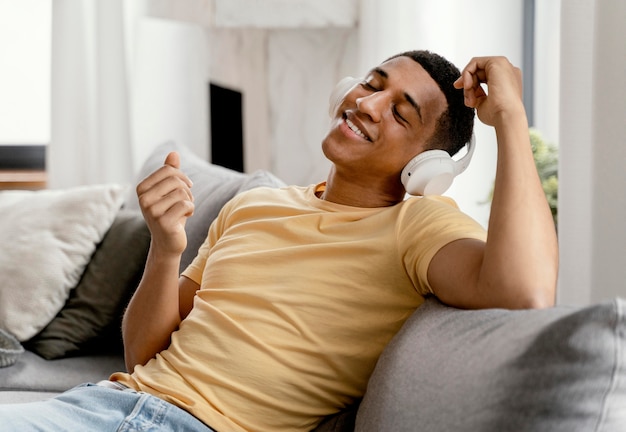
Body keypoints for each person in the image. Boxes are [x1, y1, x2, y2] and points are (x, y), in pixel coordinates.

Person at [0, 50, 558, 431]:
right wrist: (167, 246)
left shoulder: (416, 224)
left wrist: (508, 116)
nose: (366, 104)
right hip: (103, 405)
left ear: (428, 165)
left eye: (399, 113)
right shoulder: (255, 205)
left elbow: (524, 291)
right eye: (372, 83)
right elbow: (143, 355)